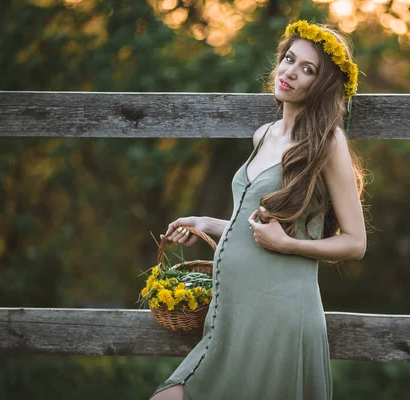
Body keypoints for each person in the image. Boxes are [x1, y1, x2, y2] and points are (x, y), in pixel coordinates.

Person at [150, 20, 367, 400]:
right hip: (235, 314)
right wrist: (204, 223)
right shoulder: (263, 134)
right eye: (289, 59)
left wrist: (289, 246)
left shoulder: (327, 143)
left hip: (280, 313)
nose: (290, 72)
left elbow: (355, 243)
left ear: (322, 86)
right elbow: (251, 224)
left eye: (308, 69)